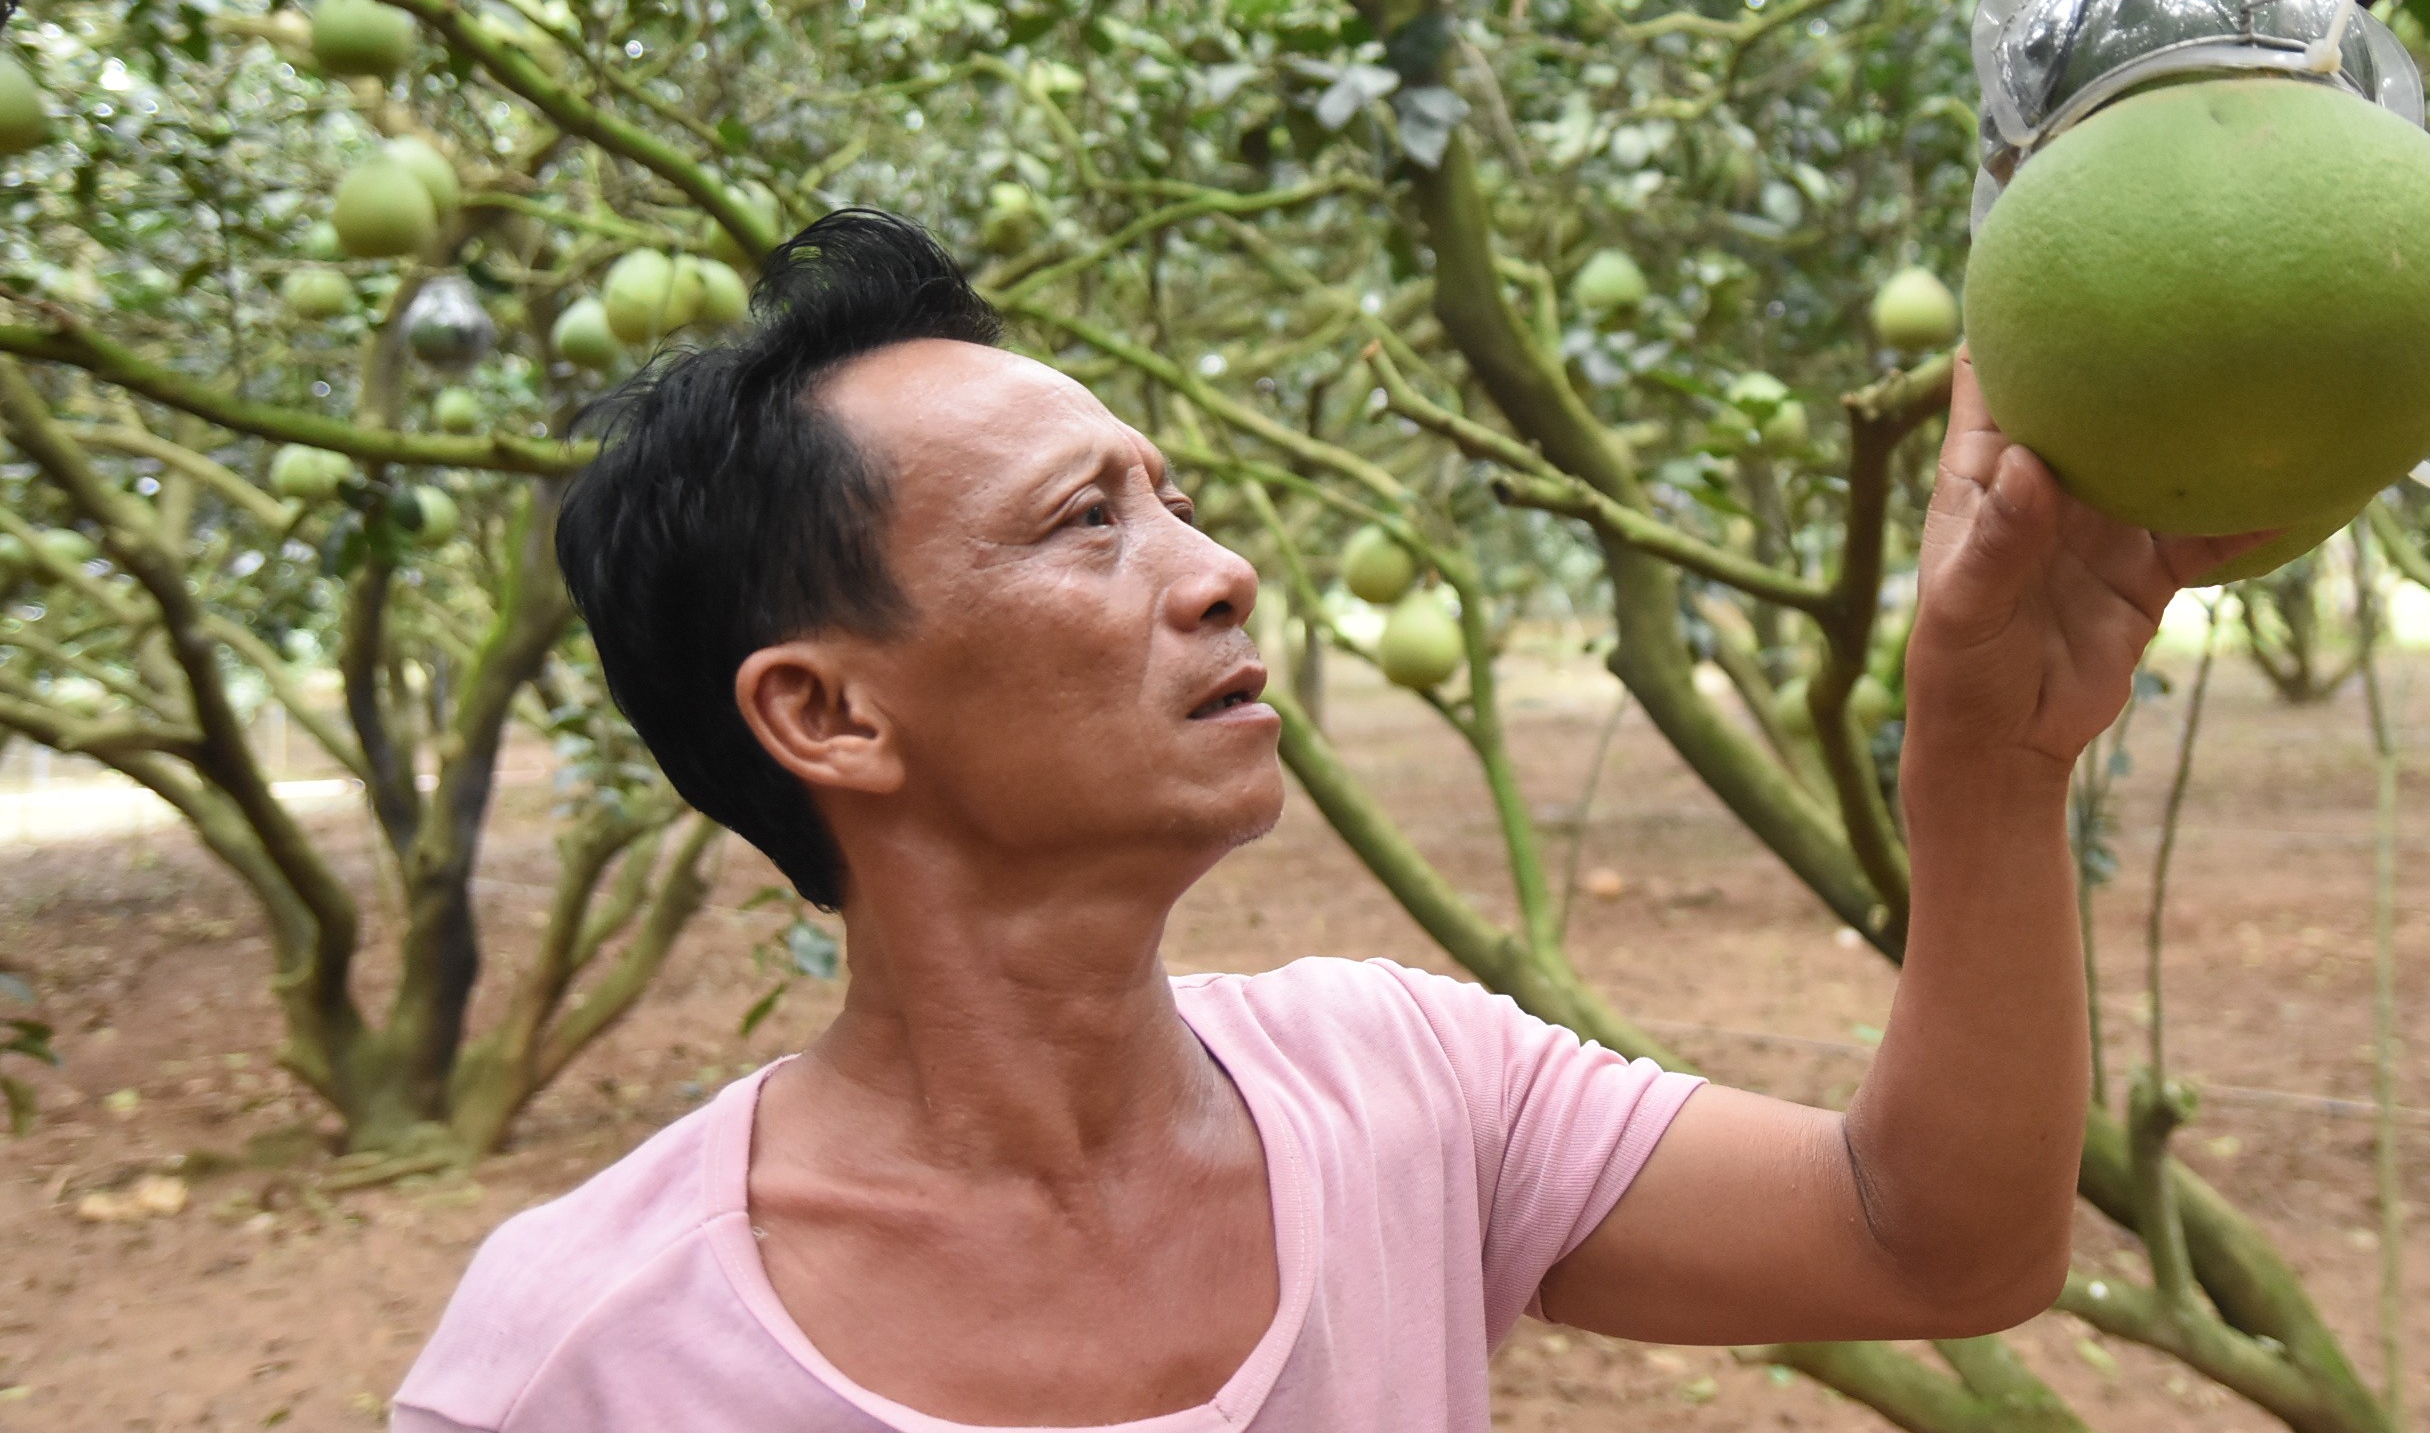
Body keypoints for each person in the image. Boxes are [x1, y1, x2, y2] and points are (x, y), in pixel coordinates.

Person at [393, 209, 2250, 1433]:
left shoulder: (1405, 1086)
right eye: (1084, 525)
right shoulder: (583, 1360)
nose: (1220, 574)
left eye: (1174, 499)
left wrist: (1990, 769)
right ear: (826, 711)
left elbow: (1936, 1240)